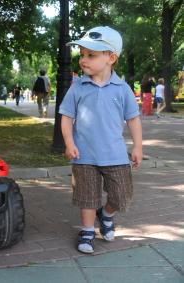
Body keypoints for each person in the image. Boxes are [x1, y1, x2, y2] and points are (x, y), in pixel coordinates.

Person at [59, 26, 143, 254]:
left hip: (115, 155)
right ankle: (87, 230)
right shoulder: (78, 88)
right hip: (84, 155)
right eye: (82, 54)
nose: (83, 60)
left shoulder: (123, 89)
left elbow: (133, 119)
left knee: (122, 195)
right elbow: (66, 117)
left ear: (111, 58)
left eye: (91, 55)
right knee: (87, 196)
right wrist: (69, 142)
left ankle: (106, 214)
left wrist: (137, 146)